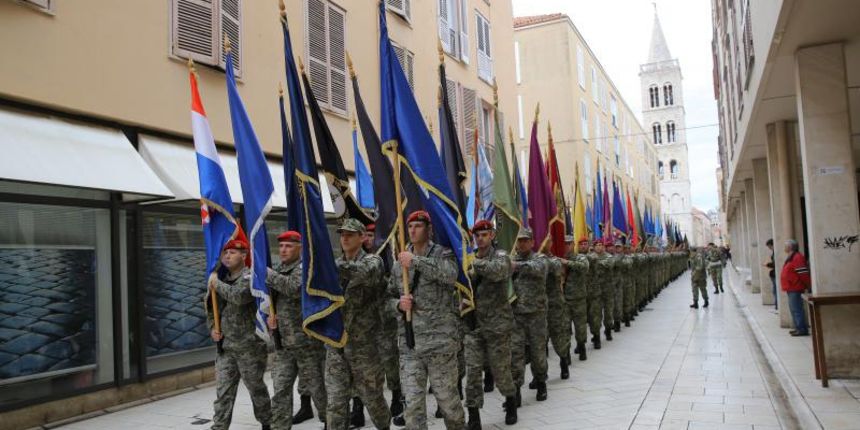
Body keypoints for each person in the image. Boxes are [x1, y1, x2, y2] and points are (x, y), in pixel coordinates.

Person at [387, 210, 465, 429]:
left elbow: (450, 274)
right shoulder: (398, 265)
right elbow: (386, 299)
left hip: (440, 344)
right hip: (411, 346)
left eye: (418, 226)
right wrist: (398, 305)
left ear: (429, 230)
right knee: (412, 407)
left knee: (448, 403)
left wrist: (416, 262)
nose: (412, 230)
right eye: (409, 226)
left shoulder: (443, 254)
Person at [327, 219, 391, 430]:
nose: (344, 238)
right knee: (336, 402)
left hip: (365, 345)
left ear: (362, 238)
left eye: (350, 234)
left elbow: (362, 273)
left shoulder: (373, 261)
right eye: (342, 234)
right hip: (337, 343)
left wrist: (326, 266)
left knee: (372, 399)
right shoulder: (332, 267)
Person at [205, 239, 272, 430]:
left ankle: (267, 423)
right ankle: (220, 426)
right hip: (226, 348)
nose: (227, 256)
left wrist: (216, 284)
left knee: (256, 389)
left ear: (243, 256)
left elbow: (239, 297)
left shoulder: (251, 277)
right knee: (223, 391)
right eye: (225, 253)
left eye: (233, 252)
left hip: (249, 347)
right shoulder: (221, 279)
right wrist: (213, 328)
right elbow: (210, 309)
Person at [267, 231, 327, 430]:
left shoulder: (304, 269)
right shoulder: (277, 270)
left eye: (289, 246)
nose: (283, 250)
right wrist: (270, 316)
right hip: (283, 344)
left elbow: (293, 288)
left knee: (318, 389)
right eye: (281, 246)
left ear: (300, 248)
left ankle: (331, 423)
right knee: (280, 390)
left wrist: (266, 273)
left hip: (307, 344)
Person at [463, 220, 518, 428]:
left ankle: (511, 400)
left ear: (492, 236)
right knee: (473, 372)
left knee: (500, 370)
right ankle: (474, 415)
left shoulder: (501, 256)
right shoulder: (468, 260)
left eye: (484, 235)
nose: (480, 239)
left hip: (497, 325)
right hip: (473, 325)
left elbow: (498, 272)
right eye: (477, 235)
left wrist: (472, 263)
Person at [510, 229, 549, 403]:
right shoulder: (510, 261)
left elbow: (538, 269)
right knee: (516, 354)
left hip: (536, 315)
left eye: (525, 240)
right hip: (516, 316)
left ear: (532, 242)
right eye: (519, 241)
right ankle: (516, 390)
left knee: (537, 353)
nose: (522, 244)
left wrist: (516, 266)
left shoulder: (539, 259)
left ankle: (541, 383)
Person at [542, 237, 572, 379]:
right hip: (536, 307)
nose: (543, 244)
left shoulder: (554, 260)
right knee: (539, 342)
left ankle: (564, 362)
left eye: (547, 241)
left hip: (554, 305)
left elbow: (554, 268)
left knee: (559, 336)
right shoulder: (530, 259)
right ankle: (540, 375)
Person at [562, 237, 590, 361]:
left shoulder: (580, 257)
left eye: (569, 244)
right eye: (565, 244)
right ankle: (566, 353)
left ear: (573, 245)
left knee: (580, 326)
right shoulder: (559, 258)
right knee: (565, 328)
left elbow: (584, 267)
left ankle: (582, 347)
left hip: (578, 298)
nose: (567, 246)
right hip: (564, 300)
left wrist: (567, 263)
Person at [780, 239, 811, 336]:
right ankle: (798, 327)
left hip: (795, 287)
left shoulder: (797, 257)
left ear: (790, 247)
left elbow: (803, 273)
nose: (784, 247)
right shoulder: (791, 257)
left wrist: (808, 285)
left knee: (797, 309)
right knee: (793, 309)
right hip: (791, 287)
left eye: (785, 246)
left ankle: (802, 329)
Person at [764, 239, 777, 310]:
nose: (769, 248)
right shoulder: (774, 252)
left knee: (775, 291)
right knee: (774, 291)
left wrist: (768, 264)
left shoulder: (775, 252)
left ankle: (777, 306)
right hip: (773, 274)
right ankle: (776, 306)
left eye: (769, 246)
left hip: (774, 274)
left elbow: (776, 264)